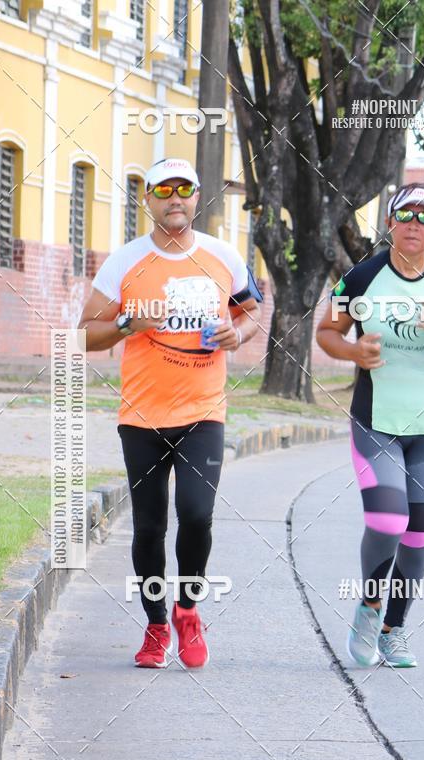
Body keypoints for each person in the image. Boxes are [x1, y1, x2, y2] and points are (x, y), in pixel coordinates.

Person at [79, 157, 262, 669]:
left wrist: (239, 333)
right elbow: (82, 333)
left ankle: (188, 609)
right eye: (164, 189)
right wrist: (127, 325)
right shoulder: (124, 263)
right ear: (148, 199)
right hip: (142, 415)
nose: (175, 197)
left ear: (196, 197)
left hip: (204, 411)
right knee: (148, 527)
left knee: (198, 514)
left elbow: (251, 309)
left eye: (184, 188)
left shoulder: (224, 257)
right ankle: (157, 625)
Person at [316, 183, 424, 668]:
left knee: (418, 537)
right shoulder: (363, 276)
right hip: (377, 422)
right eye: (405, 214)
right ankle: (369, 605)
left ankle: (394, 629)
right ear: (390, 223)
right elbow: (328, 331)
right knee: (388, 521)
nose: (414, 223)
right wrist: (353, 352)